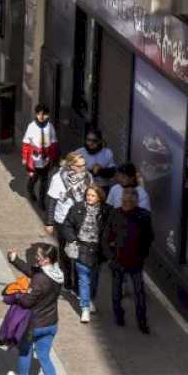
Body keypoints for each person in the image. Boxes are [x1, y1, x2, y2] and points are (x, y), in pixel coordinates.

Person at [102, 188, 154, 333]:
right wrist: (110, 257)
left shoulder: (144, 216)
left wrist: (142, 255)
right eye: (124, 200)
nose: (127, 203)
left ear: (136, 201)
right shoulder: (115, 214)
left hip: (136, 261)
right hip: (117, 261)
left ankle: (142, 322)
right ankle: (119, 316)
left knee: (139, 293)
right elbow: (106, 237)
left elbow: (149, 237)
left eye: (130, 201)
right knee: (116, 292)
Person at [6, 244, 62, 375]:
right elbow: (32, 271)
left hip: (34, 326)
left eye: (38, 256)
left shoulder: (39, 279)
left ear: (47, 259)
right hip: (51, 324)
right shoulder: (57, 273)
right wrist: (15, 259)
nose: (35, 257)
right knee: (44, 357)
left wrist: (17, 295)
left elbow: (26, 302)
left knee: (25, 352)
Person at [45, 151, 93, 295]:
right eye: (79, 166)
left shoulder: (88, 177)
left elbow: (92, 196)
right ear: (71, 166)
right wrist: (49, 222)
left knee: (80, 254)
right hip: (63, 220)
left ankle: (78, 287)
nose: (83, 169)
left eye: (84, 165)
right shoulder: (58, 179)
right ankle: (67, 281)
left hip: (81, 220)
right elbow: (52, 201)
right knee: (66, 252)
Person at [62, 184, 109, 323]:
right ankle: (85, 308)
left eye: (93, 195)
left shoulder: (106, 211)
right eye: (88, 195)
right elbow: (67, 224)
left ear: (99, 197)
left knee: (94, 278)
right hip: (81, 246)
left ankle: (89, 299)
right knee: (83, 279)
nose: (89, 198)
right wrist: (72, 239)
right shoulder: (77, 208)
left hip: (97, 249)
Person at [21, 103, 59, 210]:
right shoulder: (31, 126)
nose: (42, 117)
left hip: (45, 159)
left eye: (44, 114)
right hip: (34, 159)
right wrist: (24, 157)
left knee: (44, 181)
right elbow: (26, 143)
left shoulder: (50, 126)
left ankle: (41, 201)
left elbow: (54, 142)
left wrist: (54, 157)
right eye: (39, 114)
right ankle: (30, 189)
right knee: (34, 178)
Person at [76, 127, 116, 194]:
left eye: (94, 141)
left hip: (102, 189)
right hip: (84, 188)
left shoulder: (107, 152)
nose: (90, 143)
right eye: (88, 140)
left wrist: (100, 171)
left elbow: (112, 172)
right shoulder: (79, 152)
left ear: (100, 141)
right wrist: (90, 171)